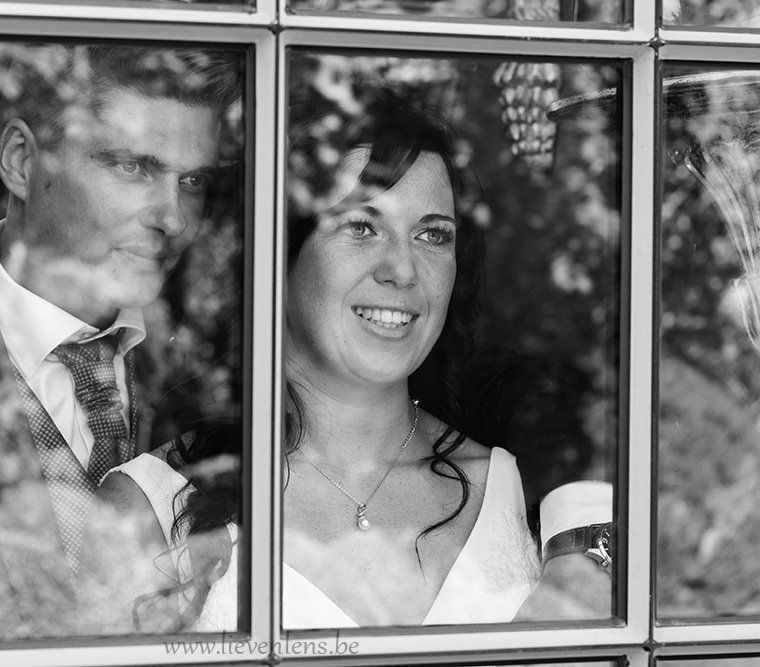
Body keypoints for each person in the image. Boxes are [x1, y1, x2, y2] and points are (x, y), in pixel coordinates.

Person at [95, 81, 614, 631]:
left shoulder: (519, 488)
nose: (403, 269)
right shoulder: (150, 506)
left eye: (433, 236)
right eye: (361, 227)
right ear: (278, 254)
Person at [0, 42, 244, 642]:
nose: (172, 218)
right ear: (21, 161)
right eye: (134, 167)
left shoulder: (207, 367)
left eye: (191, 180)